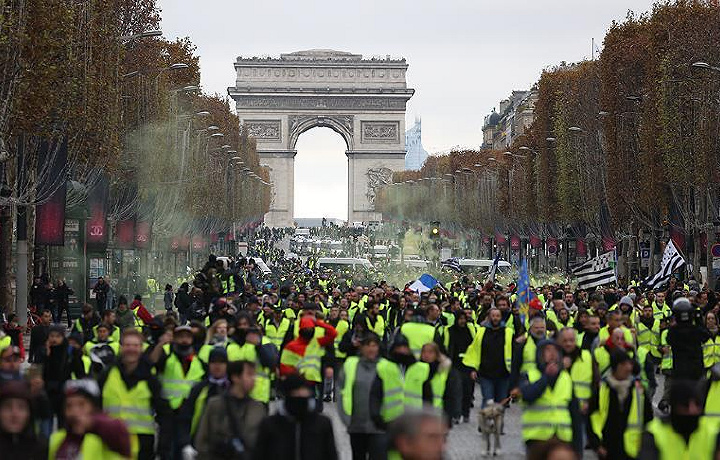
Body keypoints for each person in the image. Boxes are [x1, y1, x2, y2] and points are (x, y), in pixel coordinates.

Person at [99, 329, 171, 460]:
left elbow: (164, 413)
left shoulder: (151, 379)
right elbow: (94, 405)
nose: (131, 349)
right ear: (121, 348)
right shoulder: (107, 374)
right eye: (127, 345)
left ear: (141, 348)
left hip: (142, 443)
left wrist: (163, 445)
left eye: (135, 345)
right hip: (110, 440)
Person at [338, 333, 402, 460]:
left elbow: (397, 395)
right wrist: (346, 419)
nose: (371, 349)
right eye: (368, 345)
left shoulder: (388, 367)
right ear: (361, 347)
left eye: (374, 345)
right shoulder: (351, 364)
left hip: (379, 426)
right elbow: (342, 392)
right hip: (356, 425)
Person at [254, 373, 338, 460]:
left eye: (304, 395)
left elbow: (330, 455)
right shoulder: (270, 425)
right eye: (296, 394)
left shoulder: (322, 424)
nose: (300, 398)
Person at [194, 360, 266, 460]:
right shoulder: (215, 405)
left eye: (254, 375)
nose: (254, 379)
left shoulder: (258, 408)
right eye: (249, 375)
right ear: (235, 377)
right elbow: (202, 440)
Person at [589, 350, 653, 459]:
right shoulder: (602, 389)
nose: (628, 368)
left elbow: (649, 420)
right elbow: (592, 418)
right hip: (607, 449)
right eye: (623, 364)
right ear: (615, 367)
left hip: (632, 450)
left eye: (629, 364)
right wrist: (597, 445)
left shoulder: (639, 390)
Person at [48, 379, 132, 459]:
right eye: (69, 406)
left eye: (81, 404)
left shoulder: (106, 434)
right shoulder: (58, 439)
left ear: (93, 407)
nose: (74, 411)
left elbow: (120, 432)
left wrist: (92, 423)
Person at [639, 379, 720, 458]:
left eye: (697, 404)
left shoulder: (712, 432)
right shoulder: (654, 433)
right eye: (685, 405)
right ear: (675, 407)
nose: (692, 410)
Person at [519, 340, 575, 450]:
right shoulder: (528, 375)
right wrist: (546, 377)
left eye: (555, 350)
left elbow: (574, 411)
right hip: (537, 437)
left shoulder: (565, 377)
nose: (552, 354)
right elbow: (527, 396)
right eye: (548, 350)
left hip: (562, 436)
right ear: (540, 354)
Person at [178, 347, 230, 457]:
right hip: (199, 446)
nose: (217, 366)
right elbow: (185, 417)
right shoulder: (199, 389)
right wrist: (186, 443)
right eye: (214, 362)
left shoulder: (233, 389)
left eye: (221, 362)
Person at [279, 315, 337, 410]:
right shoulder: (292, 346)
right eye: (307, 329)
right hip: (298, 383)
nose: (309, 331)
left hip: (313, 382)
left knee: (312, 410)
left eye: (311, 329)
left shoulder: (316, 342)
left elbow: (333, 333)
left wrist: (317, 323)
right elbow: (284, 366)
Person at [463, 307, 513, 410]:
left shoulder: (508, 332)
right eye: (493, 316)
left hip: (503, 373)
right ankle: (484, 423)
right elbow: (474, 351)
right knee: (488, 399)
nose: (495, 318)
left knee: (500, 403)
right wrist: (473, 369)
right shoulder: (481, 332)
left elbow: (514, 351)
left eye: (497, 316)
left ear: (501, 317)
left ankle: (498, 425)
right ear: (489, 317)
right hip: (486, 373)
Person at [0, 381, 47, 459]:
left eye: (21, 407)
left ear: (29, 413)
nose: (14, 414)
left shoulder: (41, 448)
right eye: (8, 407)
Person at [445, 310, 476, 422]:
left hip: (468, 365)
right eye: (460, 319)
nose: (462, 321)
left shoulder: (470, 330)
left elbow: (474, 347)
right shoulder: (450, 330)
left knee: (468, 390)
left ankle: (465, 412)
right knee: (456, 390)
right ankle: (456, 414)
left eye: (464, 319)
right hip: (454, 364)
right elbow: (447, 347)